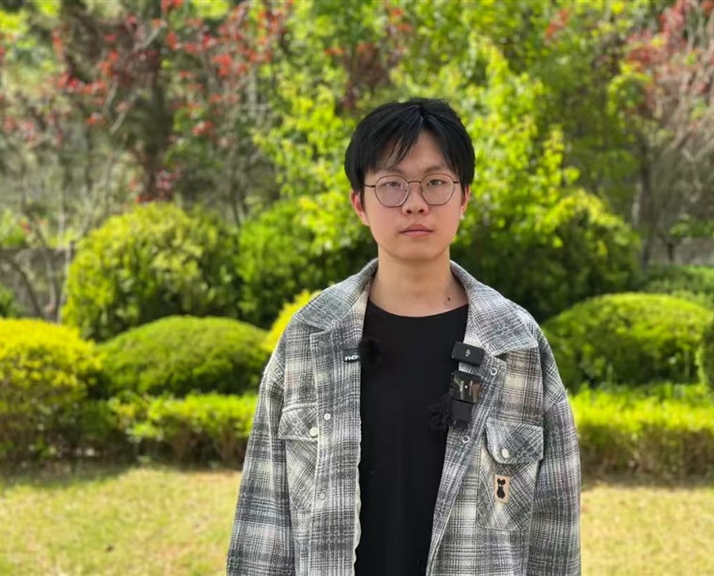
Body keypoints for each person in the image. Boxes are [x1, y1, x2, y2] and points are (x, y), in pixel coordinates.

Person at [226, 98, 581, 576]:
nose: (415, 202)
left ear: (464, 197)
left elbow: (555, 537)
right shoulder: (309, 339)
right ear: (360, 203)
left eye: (435, 182)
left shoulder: (516, 346)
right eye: (392, 184)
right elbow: (264, 523)